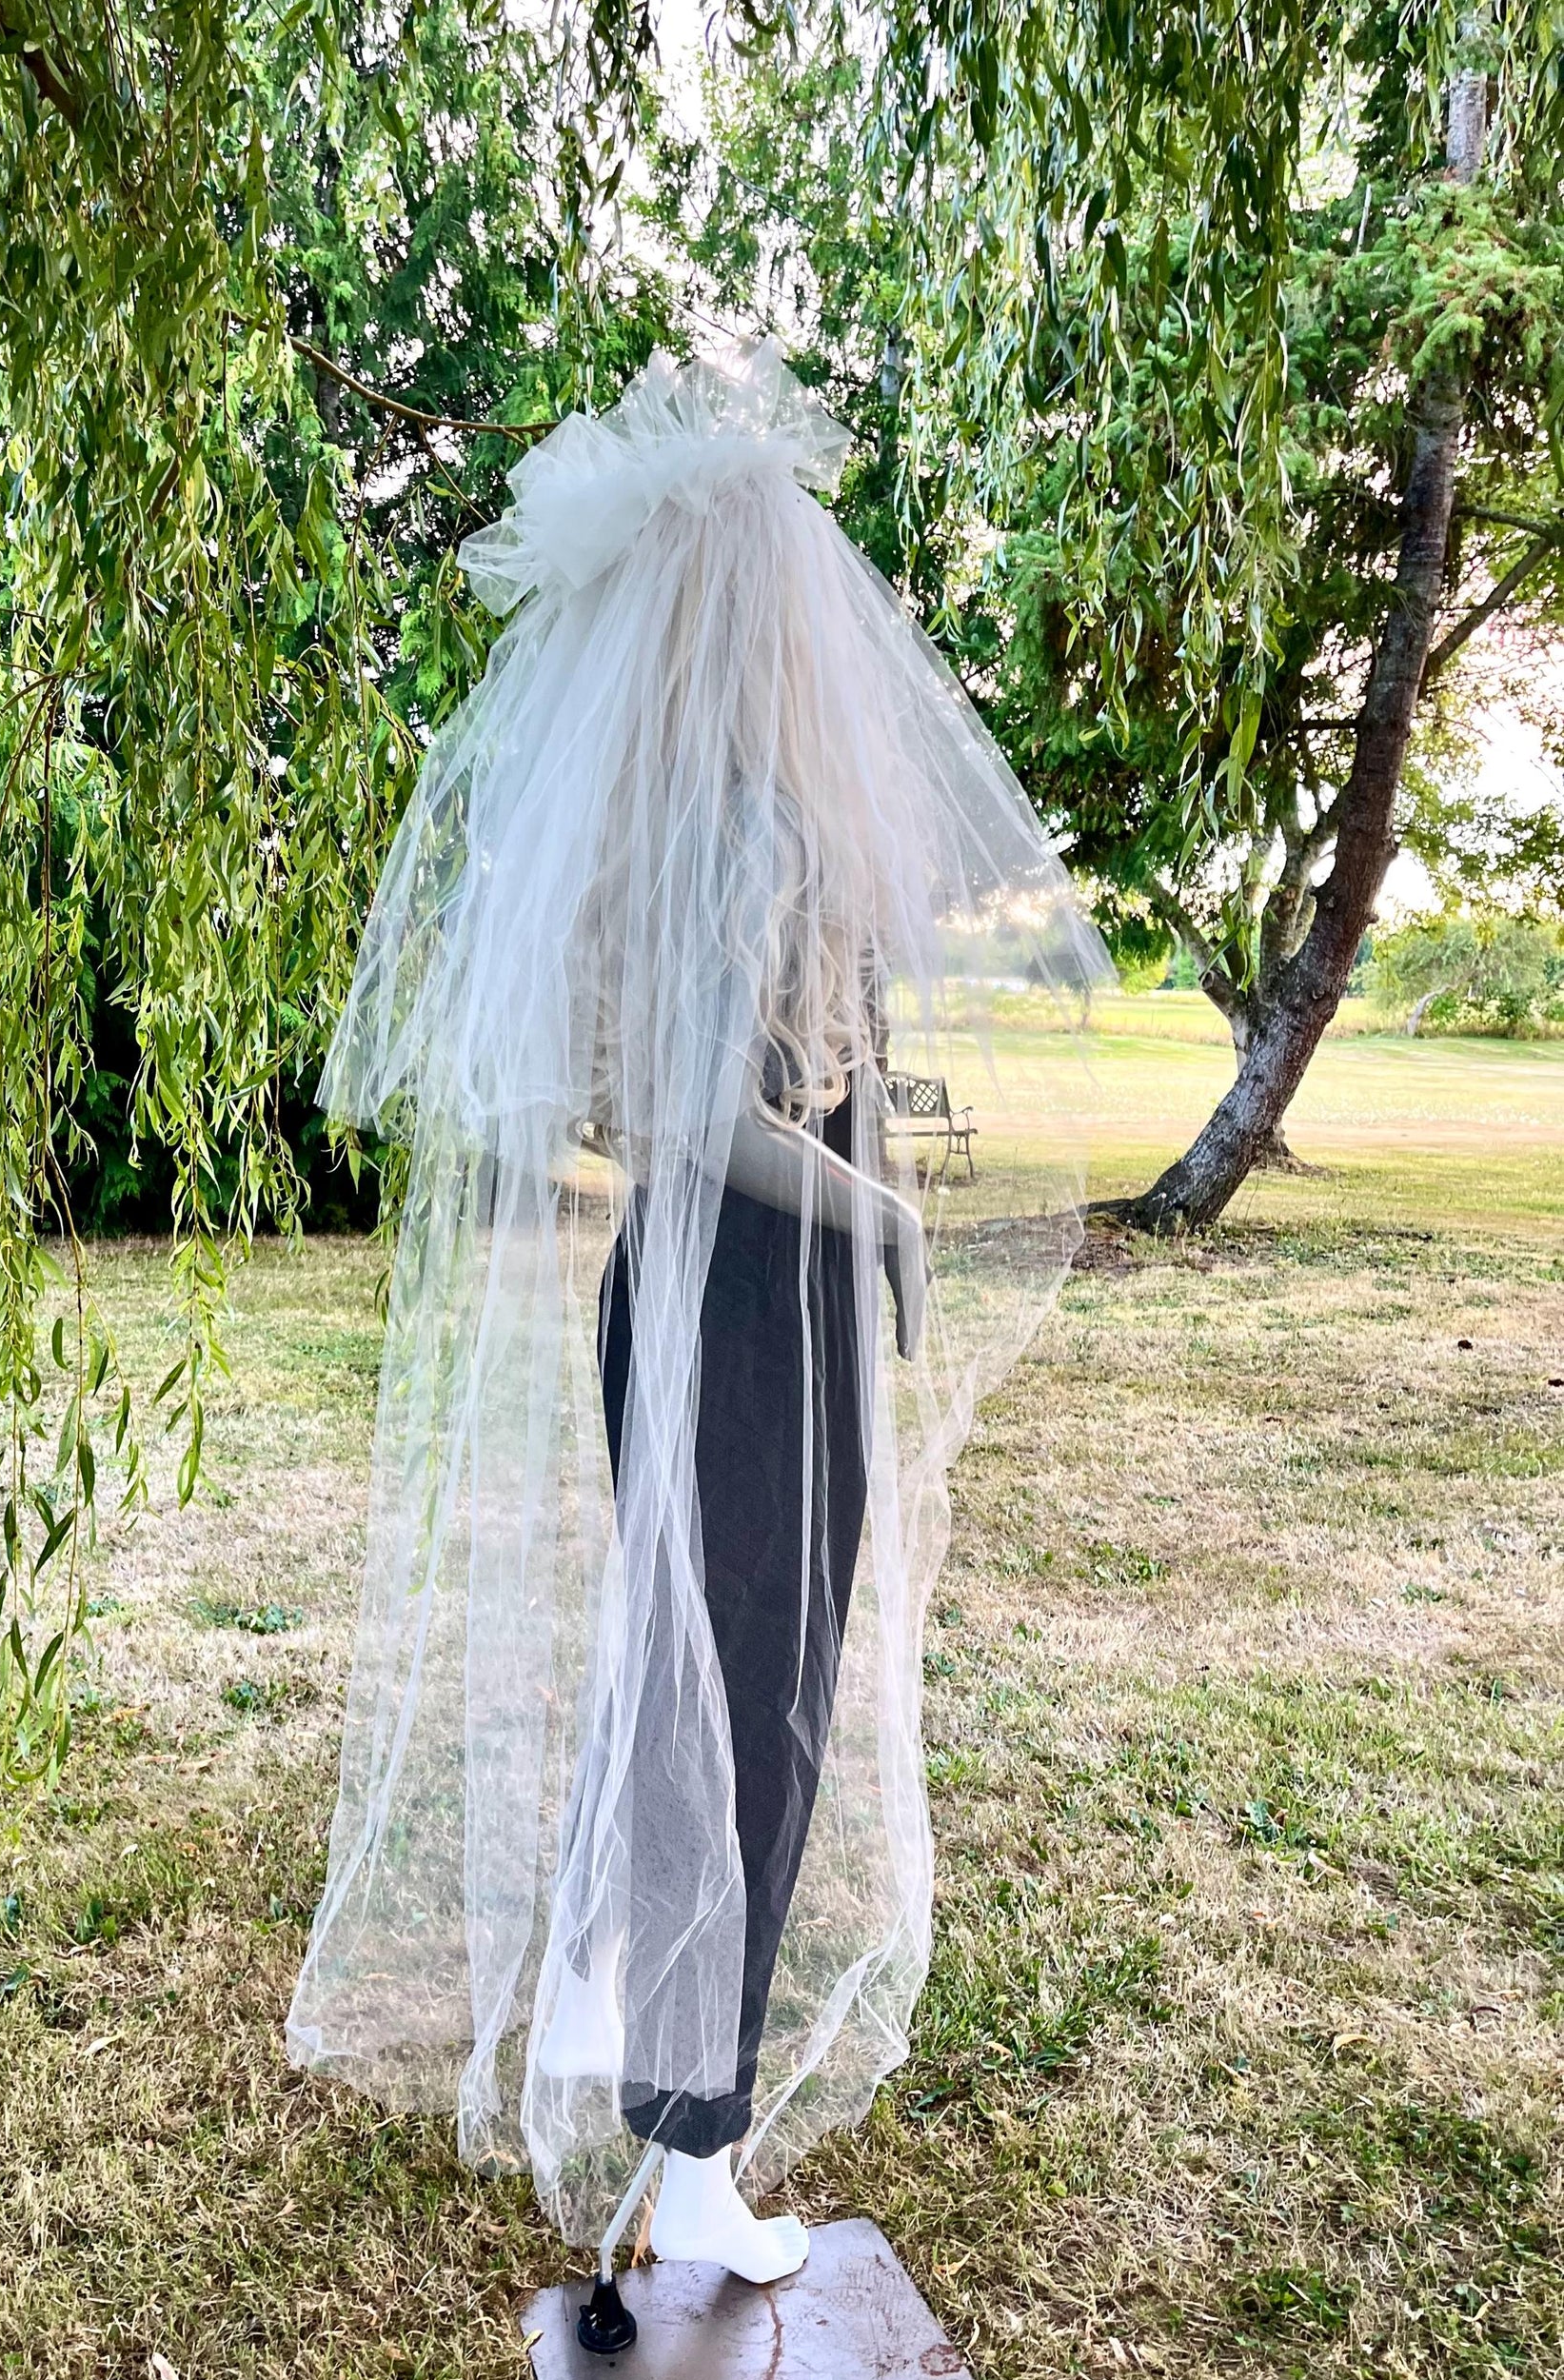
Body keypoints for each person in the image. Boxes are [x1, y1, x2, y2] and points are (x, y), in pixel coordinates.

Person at [288, 340, 1108, 2268]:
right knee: (747, 1712)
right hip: (746, 1304)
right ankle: (692, 2140)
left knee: (706, 1696)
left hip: (693, 1295)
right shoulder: (739, 818)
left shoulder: (685, 811)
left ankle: (676, 2115)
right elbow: (681, 1110)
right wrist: (873, 1216)